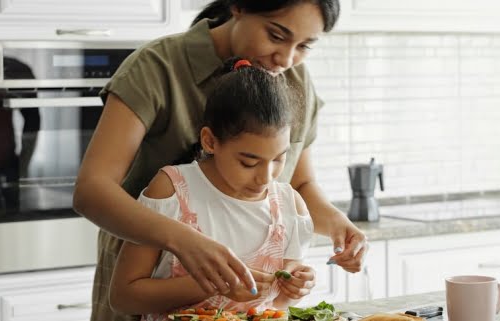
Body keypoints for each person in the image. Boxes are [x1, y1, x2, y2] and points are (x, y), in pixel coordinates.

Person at [72, 1, 367, 320]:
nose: (286, 59)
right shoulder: (158, 67)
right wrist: (183, 239)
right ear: (238, 6)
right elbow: (92, 190)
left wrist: (338, 224)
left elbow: (299, 184)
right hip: (147, 283)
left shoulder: (294, 79)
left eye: (304, 46)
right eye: (275, 35)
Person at [110, 59, 315, 318]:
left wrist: (297, 287)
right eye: (248, 162)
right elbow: (123, 298)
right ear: (209, 141)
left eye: (278, 159)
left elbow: (279, 304)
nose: (265, 177)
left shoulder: (288, 206)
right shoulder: (172, 191)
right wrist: (209, 285)